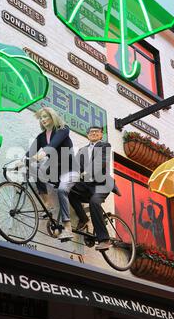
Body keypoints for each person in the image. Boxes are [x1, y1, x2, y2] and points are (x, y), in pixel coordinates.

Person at [27, 107, 77, 241]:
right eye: (41, 118)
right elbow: (29, 154)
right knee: (35, 170)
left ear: (52, 117)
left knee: (62, 190)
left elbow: (53, 146)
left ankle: (67, 228)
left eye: (45, 116)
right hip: (55, 169)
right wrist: (20, 162)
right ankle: (48, 205)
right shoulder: (42, 136)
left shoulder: (63, 129)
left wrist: (41, 154)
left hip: (70, 169)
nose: (43, 120)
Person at [69, 126, 117, 251]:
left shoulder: (105, 146)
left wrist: (86, 173)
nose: (94, 133)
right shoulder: (82, 150)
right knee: (70, 191)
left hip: (102, 184)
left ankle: (104, 240)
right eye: (91, 132)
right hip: (87, 185)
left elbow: (99, 163)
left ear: (101, 135)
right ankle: (83, 218)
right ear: (87, 135)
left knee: (94, 202)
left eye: (97, 131)